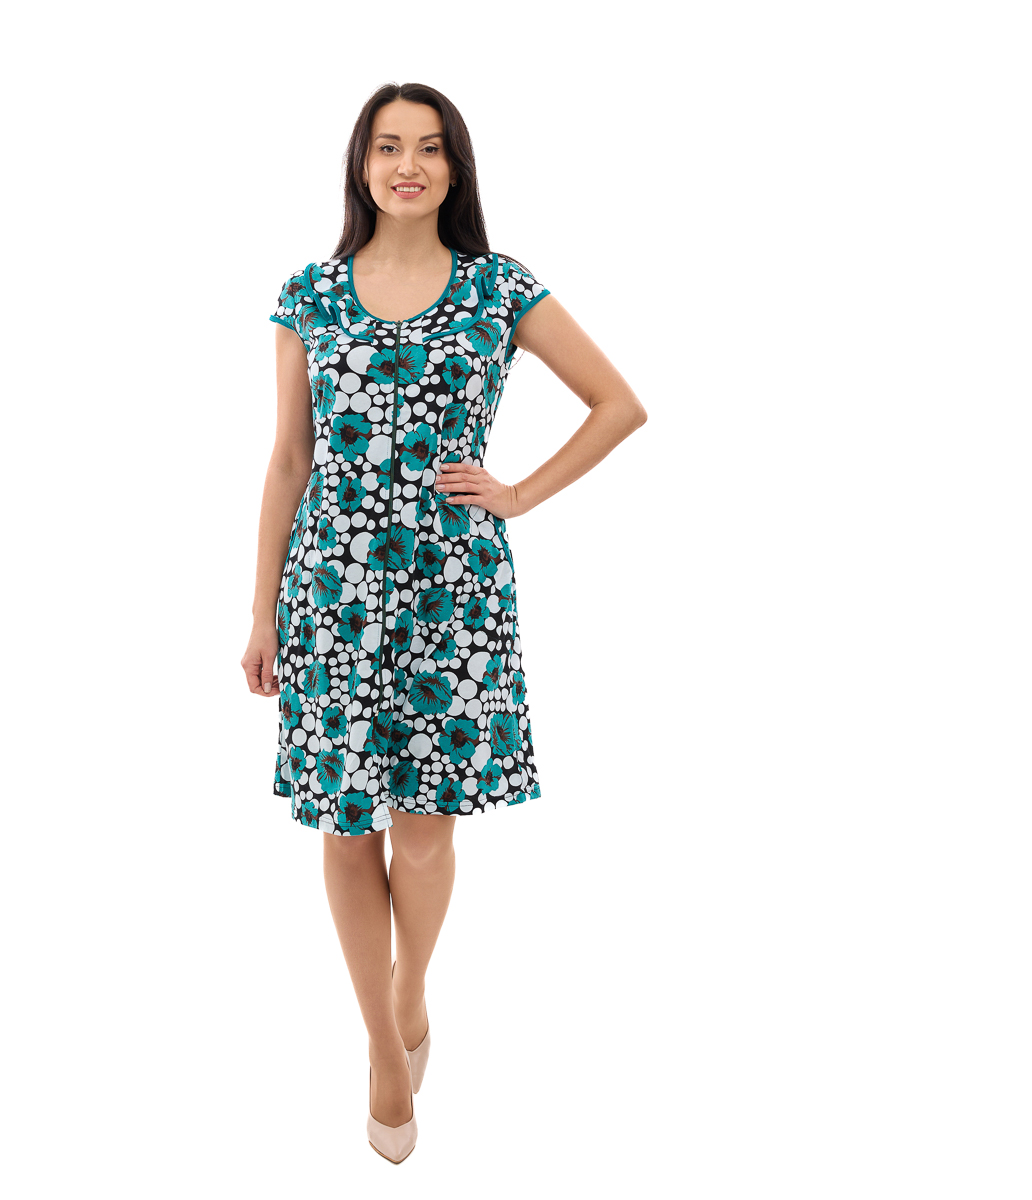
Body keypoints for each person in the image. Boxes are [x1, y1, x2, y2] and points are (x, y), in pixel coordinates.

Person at [242, 81, 647, 1164]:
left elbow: (619, 404)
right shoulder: (308, 293)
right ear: (361, 165)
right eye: (387, 147)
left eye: (428, 148)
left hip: (450, 589)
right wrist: (261, 610)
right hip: (329, 592)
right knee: (345, 824)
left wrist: (515, 493)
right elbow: (288, 460)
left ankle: (409, 986)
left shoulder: (498, 288)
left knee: (426, 827)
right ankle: (384, 1045)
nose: (407, 166)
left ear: (455, 168)